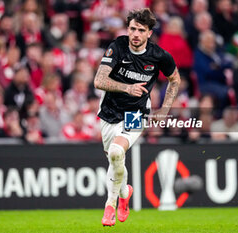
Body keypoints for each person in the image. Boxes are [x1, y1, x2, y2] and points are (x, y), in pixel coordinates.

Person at [94, 8, 180, 226]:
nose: (135, 34)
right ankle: (124, 193)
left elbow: (175, 79)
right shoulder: (117, 47)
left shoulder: (159, 56)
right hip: (109, 112)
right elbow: (99, 80)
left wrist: (164, 110)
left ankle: (109, 206)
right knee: (114, 160)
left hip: (136, 113)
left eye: (141, 30)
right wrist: (127, 88)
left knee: (116, 151)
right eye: (132, 28)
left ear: (149, 33)